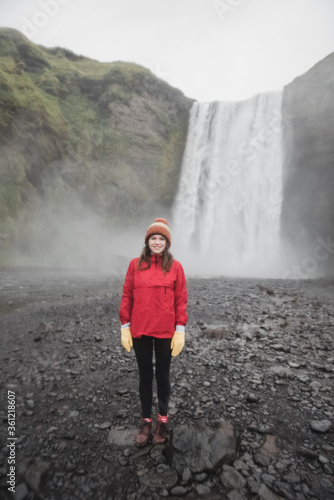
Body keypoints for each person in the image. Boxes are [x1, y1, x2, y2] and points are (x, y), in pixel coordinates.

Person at [119, 218, 188, 447]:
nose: (156, 242)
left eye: (161, 239)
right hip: (140, 331)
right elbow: (127, 295)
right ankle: (146, 421)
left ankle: (163, 420)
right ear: (147, 241)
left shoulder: (175, 266)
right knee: (145, 376)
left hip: (166, 331)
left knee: (163, 377)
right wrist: (124, 326)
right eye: (153, 238)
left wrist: (180, 329)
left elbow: (181, 300)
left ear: (166, 243)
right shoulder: (134, 265)